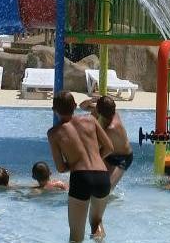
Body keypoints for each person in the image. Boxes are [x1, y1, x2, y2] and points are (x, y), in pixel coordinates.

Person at [47, 91, 114, 242]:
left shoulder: (54, 133)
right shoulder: (91, 120)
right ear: (75, 106)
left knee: (76, 236)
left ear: (54, 110)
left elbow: (60, 168)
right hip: (102, 177)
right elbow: (109, 147)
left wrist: (76, 162)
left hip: (81, 178)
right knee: (97, 222)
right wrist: (95, 158)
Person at [80, 96, 134, 190]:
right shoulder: (108, 113)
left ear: (99, 111)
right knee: (95, 184)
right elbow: (82, 107)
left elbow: (98, 146)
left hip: (122, 159)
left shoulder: (111, 128)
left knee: (106, 189)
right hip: (108, 154)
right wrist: (92, 100)